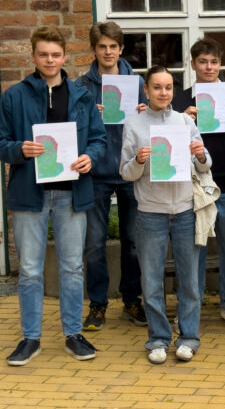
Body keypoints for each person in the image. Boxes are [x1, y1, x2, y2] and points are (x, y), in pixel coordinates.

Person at [1, 26, 107, 366]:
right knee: (30, 270)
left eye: (56, 55)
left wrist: (90, 156)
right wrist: (19, 150)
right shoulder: (13, 96)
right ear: (33, 56)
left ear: (64, 57)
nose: (50, 60)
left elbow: (99, 139)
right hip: (29, 195)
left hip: (71, 194)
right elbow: (1, 143)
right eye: (44, 54)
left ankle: (73, 334)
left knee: (73, 268)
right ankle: (30, 338)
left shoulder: (81, 95)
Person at [120, 65, 212, 365]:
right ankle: (158, 339)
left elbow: (204, 164)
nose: (163, 92)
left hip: (184, 210)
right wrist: (138, 160)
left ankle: (189, 338)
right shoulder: (134, 124)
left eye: (169, 87)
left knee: (189, 281)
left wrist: (200, 154)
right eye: (157, 87)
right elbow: (125, 172)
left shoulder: (185, 121)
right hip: (150, 213)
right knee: (151, 282)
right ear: (146, 90)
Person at [171, 38, 225, 331]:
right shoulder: (179, 101)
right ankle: (189, 307)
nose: (209, 67)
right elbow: (168, 145)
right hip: (195, 186)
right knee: (194, 249)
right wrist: (181, 121)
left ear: (221, 64)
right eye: (203, 62)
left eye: (214, 62)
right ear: (193, 64)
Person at [77, 21, 148, 332]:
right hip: (97, 172)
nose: (108, 52)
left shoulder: (138, 83)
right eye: (102, 46)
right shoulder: (82, 86)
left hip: (131, 169)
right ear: (94, 49)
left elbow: (156, 119)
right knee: (94, 243)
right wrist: (88, 115)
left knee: (133, 241)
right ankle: (98, 303)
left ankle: (132, 300)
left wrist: (147, 111)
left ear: (121, 49)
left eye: (113, 46)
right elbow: (73, 128)